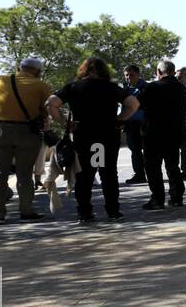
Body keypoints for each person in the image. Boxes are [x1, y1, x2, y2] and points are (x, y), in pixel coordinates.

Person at [48, 57, 139, 224]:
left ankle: (84, 212)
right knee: (109, 173)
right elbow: (133, 104)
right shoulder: (112, 88)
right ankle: (113, 211)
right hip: (108, 135)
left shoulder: (73, 87)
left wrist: (65, 123)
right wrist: (120, 119)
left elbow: (51, 103)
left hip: (84, 135)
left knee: (84, 175)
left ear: (84, 70)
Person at [0, 56, 52, 224]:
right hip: (27, 132)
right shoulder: (41, 85)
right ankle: (26, 211)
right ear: (38, 71)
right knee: (24, 174)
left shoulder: (1, 79)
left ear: (19, 68)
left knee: (0, 173)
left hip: (1, 130)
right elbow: (46, 109)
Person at [138, 60, 186, 210]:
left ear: (159, 72)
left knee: (153, 167)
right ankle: (176, 197)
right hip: (174, 133)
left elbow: (136, 103)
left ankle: (157, 199)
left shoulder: (151, 87)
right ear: (173, 71)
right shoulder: (180, 87)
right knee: (173, 166)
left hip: (153, 134)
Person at [122, 64, 149, 185]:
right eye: (126, 75)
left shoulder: (147, 87)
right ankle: (139, 174)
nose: (129, 77)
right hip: (130, 124)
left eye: (131, 75)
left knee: (148, 150)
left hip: (145, 123)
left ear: (138, 74)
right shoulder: (124, 90)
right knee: (135, 150)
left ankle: (151, 172)